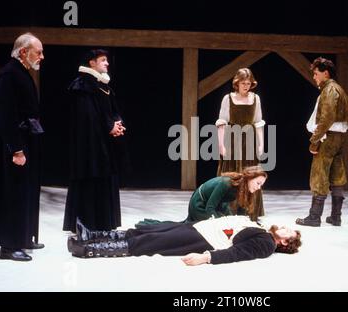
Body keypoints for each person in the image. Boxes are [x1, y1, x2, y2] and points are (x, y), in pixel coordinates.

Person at [63, 49, 127, 233]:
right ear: (92, 63)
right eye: (103, 60)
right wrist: (109, 127)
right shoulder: (82, 85)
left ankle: (103, 222)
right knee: (91, 176)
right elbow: (88, 116)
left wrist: (118, 123)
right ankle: (88, 222)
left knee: (105, 176)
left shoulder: (103, 85)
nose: (107, 64)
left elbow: (113, 110)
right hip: (89, 144)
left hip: (104, 142)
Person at [67, 215, 301, 265]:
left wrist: (206, 258)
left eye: (289, 232)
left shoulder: (267, 243)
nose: (285, 226)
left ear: (285, 243)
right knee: (148, 232)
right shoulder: (260, 227)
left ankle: (90, 249)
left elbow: (237, 253)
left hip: (206, 239)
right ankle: (92, 236)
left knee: (150, 242)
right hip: (199, 227)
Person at [0, 33, 45, 261]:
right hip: (14, 144)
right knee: (13, 194)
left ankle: (23, 238)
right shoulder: (9, 74)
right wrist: (16, 149)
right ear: (24, 52)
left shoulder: (22, 72)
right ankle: (9, 245)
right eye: (39, 52)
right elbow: (6, 115)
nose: (42, 56)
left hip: (27, 140)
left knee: (25, 192)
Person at [295, 57, 348, 227]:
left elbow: (327, 118)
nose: (314, 77)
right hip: (339, 138)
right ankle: (336, 216)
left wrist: (314, 140)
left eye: (316, 73)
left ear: (325, 73)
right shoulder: (339, 89)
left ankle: (314, 216)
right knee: (337, 173)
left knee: (319, 173)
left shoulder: (329, 90)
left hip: (328, 137)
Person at [136, 165, 268, 226]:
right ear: (249, 178)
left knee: (230, 221)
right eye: (258, 183)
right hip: (200, 204)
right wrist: (220, 222)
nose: (259, 187)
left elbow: (241, 211)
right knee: (223, 223)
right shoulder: (226, 184)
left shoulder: (244, 190)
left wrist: (247, 224)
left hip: (218, 205)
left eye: (261, 185)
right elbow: (210, 207)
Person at [216, 68, 266, 221]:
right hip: (232, 137)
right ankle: (227, 211)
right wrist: (221, 145)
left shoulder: (255, 99)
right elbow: (221, 123)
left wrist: (261, 144)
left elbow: (258, 122)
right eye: (243, 83)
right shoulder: (228, 98)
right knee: (232, 175)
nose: (246, 86)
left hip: (250, 139)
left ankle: (250, 211)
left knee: (250, 174)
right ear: (237, 83)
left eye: (249, 83)